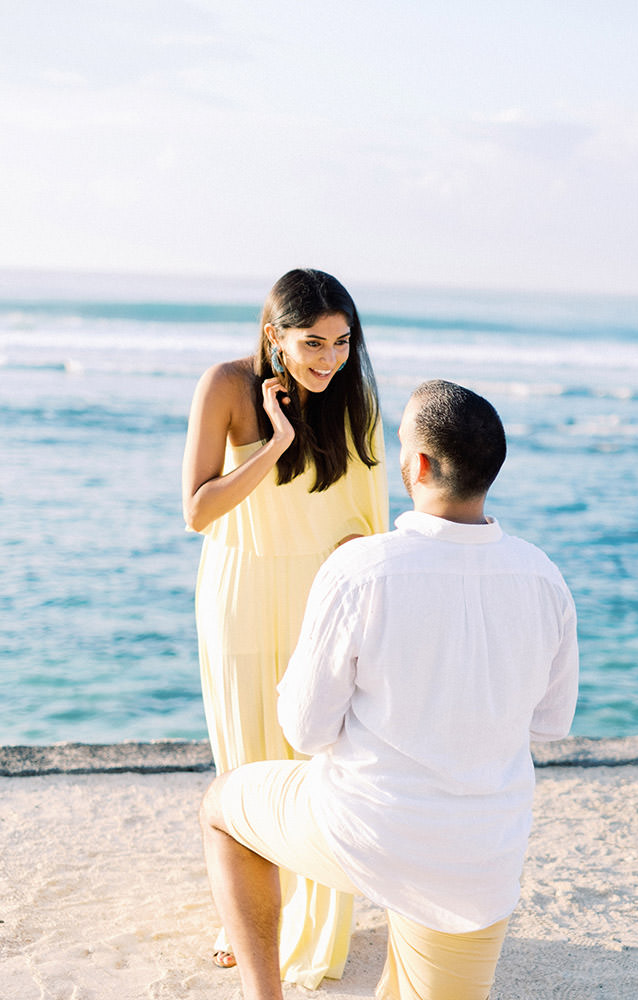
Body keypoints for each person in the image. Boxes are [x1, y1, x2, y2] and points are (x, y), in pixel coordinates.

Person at [199, 378, 579, 1000]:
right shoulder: (545, 578)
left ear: (420, 464)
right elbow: (550, 725)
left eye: (400, 440)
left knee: (223, 810)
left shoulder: (359, 568)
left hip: (364, 832)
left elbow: (305, 730)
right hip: (478, 860)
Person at [182, 268, 388, 985]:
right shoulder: (225, 386)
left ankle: (310, 919)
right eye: (312, 343)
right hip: (240, 587)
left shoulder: (355, 403)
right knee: (246, 763)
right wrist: (273, 443)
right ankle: (244, 917)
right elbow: (198, 510)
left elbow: (369, 525)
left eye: (341, 342)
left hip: (319, 595)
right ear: (275, 335)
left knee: (317, 755)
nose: (330, 359)